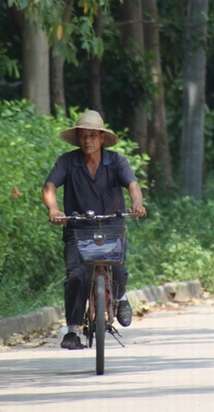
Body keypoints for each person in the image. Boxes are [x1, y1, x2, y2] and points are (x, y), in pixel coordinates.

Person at [42, 110, 146, 350]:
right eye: (82, 136)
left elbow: (133, 185)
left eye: (92, 135)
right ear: (78, 139)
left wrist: (137, 204)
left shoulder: (117, 161)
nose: (87, 140)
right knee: (77, 275)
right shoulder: (67, 162)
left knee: (118, 271)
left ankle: (119, 297)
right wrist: (54, 209)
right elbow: (49, 186)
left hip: (111, 227)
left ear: (101, 138)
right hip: (78, 230)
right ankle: (73, 330)